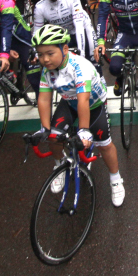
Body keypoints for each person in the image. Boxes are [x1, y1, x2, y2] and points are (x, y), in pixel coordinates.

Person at [31, 24, 125, 207]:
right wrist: (45, 128)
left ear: (64, 49)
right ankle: (59, 165)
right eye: (40, 54)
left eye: (50, 53)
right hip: (69, 102)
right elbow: (43, 99)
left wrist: (83, 131)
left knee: (103, 144)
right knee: (53, 135)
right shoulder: (46, 70)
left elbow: (84, 101)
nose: (45, 59)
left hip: (93, 104)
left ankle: (116, 179)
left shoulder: (79, 66)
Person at [33, 0, 97, 68]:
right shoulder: (40, 6)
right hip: (63, 36)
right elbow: (36, 33)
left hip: (82, 31)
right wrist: (35, 54)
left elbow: (79, 26)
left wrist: (82, 54)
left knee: (93, 62)